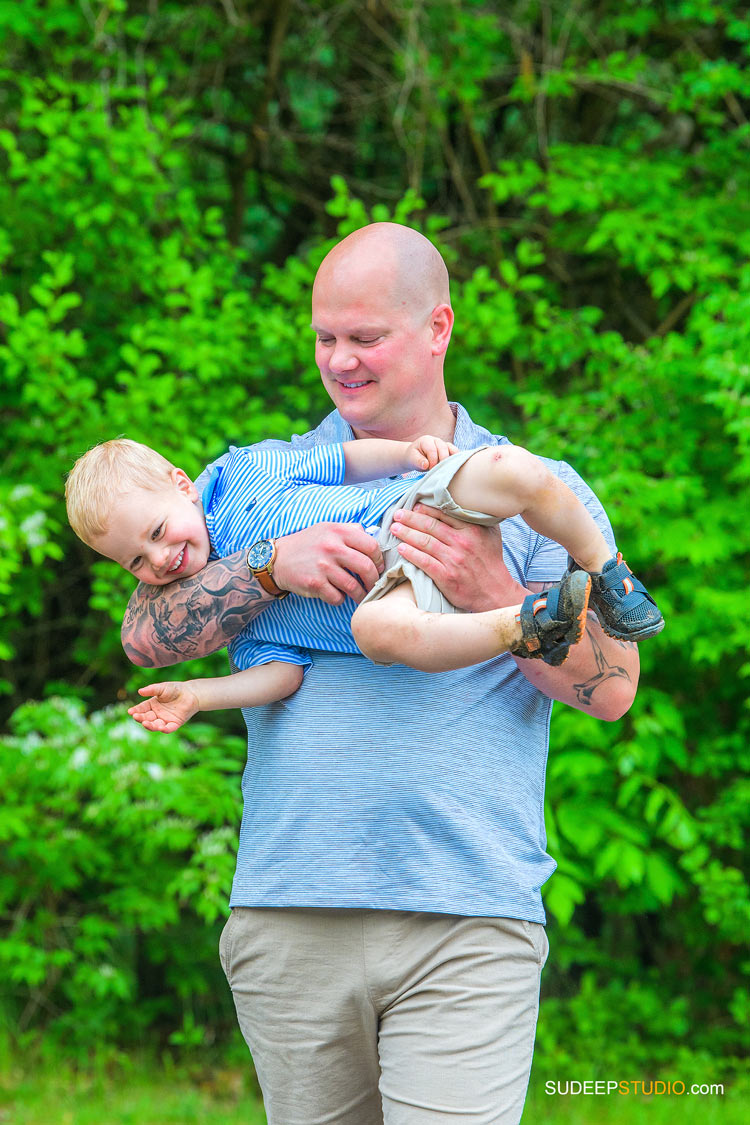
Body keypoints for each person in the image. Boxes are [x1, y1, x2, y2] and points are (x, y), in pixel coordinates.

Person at [120, 222, 646, 1125]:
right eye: (325, 337)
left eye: (366, 337)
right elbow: (147, 632)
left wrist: (494, 589)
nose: (340, 360)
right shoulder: (263, 478)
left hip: (467, 913)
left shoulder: (517, 482)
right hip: (290, 910)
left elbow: (611, 688)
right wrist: (269, 567)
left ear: (439, 327)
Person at [66, 428, 661, 733]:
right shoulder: (236, 611)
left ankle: (608, 572)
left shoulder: (245, 470)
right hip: (393, 589)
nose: (160, 560)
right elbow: (280, 676)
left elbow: (342, 461)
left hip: (412, 503)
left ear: (182, 483)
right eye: (136, 563)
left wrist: (409, 450)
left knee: (513, 469)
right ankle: (525, 623)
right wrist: (200, 695)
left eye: (158, 532)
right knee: (377, 631)